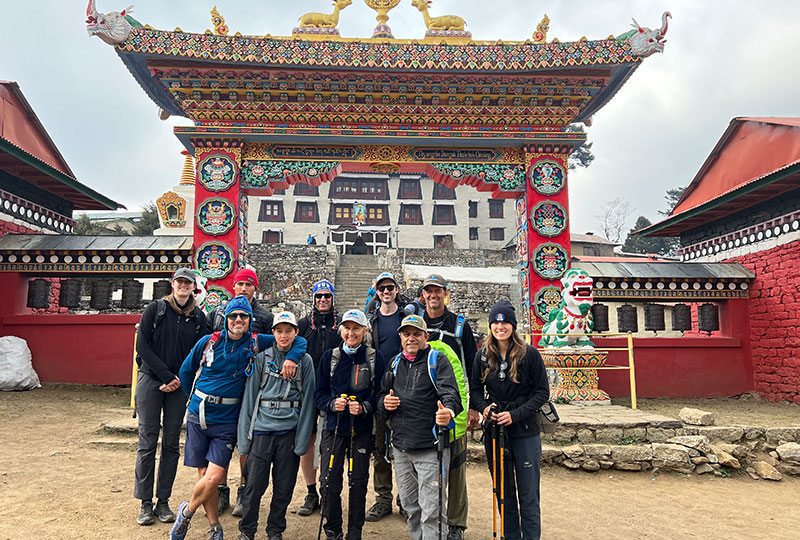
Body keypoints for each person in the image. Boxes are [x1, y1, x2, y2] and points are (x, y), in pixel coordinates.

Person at [169, 296, 307, 540]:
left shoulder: (255, 342)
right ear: (226, 319)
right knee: (205, 477)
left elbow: (295, 340)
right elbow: (186, 371)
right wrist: (195, 398)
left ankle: (186, 513)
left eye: (243, 316)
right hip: (198, 415)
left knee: (212, 477)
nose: (238, 320)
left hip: (227, 420)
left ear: (250, 320)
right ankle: (215, 527)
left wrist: (291, 358)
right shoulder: (208, 342)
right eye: (233, 316)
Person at [470, 300, 550, 540]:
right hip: (495, 431)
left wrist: (515, 414)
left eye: (505, 321)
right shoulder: (483, 356)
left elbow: (542, 393)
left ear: (513, 326)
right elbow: (474, 389)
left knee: (528, 492)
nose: (500, 326)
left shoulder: (529, 354)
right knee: (503, 491)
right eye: (495, 321)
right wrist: (484, 408)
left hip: (524, 429)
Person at [379, 315, 462, 540]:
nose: (411, 338)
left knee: (432, 510)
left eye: (417, 333)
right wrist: (385, 404)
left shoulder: (438, 360)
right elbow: (381, 396)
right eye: (407, 334)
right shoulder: (395, 363)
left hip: (430, 447)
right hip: (401, 447)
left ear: (426, 336)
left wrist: (448, 412)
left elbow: (451, 394)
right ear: (400, 337)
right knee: (410, 507)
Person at [133, 268, 206, 526]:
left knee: (172, 443)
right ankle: (144, 502)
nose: (183, 286)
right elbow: (143, 346)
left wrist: (178, 380)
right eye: (180, 282)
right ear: (173, 285)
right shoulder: (156, 310)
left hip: (179, 386)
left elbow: (198, 354)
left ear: (194, 287)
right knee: (147, 441)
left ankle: (163, 500)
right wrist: (166, 377)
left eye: (188, 283)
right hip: (151, 380)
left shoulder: (199, 317)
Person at [236, 311, 317, 540]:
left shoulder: (305, 361)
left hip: (289, 432)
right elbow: (250, 399)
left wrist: (302, 441)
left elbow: (308, 401)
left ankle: (275, 530)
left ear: (296, 333)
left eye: (288, 330)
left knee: (284, 487)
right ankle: (247, 530)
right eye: (279, 331)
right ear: (273, 333)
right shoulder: (262, 359)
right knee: (253, 486)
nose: (284, 335)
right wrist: (245, 440)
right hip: (262, 430)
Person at [205, 267, 274, 516]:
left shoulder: (265, 318)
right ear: (233, 287)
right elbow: (205, 347)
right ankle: (221, 491)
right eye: (240, 284)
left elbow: (273, 348)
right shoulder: (217, 313)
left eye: (248, 285)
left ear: (256, 289)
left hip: (251, 387)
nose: (243, 289)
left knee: (247, 443)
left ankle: (245, 491)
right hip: (221, 389)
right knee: (219, 444)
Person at [315, 309, 386, 540]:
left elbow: (381, 394)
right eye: (347, 328)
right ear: (341, 330)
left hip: (362, 429)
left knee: (358, 483)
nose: (351, 333)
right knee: (328, 482)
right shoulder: (330, 357)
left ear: (365, 330)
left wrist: (365, 407)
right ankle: (333, 530)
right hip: (333, 428)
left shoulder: (375, 358)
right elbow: (319, 394)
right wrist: (332, 403)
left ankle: (354, 532)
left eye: (356, 328)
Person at [420, 274, 478, 540]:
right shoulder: (415, 324)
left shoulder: (459, 325)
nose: (433, 295)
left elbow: (473, 368)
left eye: (438, 291)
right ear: (423, 295)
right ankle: (427, 516)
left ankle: (456, 522)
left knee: (456, 465)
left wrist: (475, 406)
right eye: (428, 291)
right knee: (422, 461)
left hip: (455, 403)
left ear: (446, 293)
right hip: (422, 403)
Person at [295, 279, 343, 516]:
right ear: (313, 299)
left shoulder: (342, 325)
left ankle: (328, 489)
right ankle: (311, 490)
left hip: (335, 391)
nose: (322, 300)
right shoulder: (304, 325)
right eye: (318, 296)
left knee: (332, 442)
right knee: (308, 441)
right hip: (307, 391)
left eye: (326, 296)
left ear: (333, 298)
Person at [365, 272, 407, 522]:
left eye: (390, 287)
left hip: (407, 384)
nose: (386, 292)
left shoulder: (407, 317)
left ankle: (406, 498)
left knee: (405, 445)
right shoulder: (372, 320)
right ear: (377, 292)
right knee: (380, 446)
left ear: (397, 290)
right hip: (380, 387)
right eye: (382, 289)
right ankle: (383, 498)